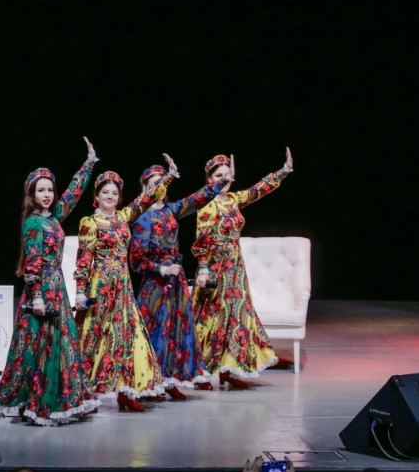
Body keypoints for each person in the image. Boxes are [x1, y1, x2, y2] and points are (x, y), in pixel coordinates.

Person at [0, 138, 100, 425]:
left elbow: (73, 194)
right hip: (40, 291)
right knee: (37, 347)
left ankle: (64, 398)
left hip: (57, 287)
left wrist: (88, 165)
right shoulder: (33, 222)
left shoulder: (54, 218)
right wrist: (37, 295)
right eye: (41, 190)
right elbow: (32, 263)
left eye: (50, 189)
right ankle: (36, 401)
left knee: (61, 344)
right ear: (32, 194)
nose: (47, 194)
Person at [74, 159, 175, 412]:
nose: (110, 196)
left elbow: (146, 198)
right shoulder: (90, 222)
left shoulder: (123, 217)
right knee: (95, 339)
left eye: (114, 193)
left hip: (123, 287)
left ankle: (125, 391)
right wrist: (79, 291)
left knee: (128, 337)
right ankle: (85, 395)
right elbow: (84, 259)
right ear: (97, 196)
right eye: (105, 192)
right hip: (100, 287)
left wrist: (169, 176)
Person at [192, 149, 293, 388]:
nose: (224, 179)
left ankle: (229, 368)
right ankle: (202, 371)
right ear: (210, 179)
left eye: (227, 175)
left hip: (236, 267)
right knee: (213, 317)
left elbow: (258, 190)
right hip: (216, 267)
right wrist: (203, 268)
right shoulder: (206, 205)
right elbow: (201, 241)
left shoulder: (234, 199)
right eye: (219, 176)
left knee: (237, 316)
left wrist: (284, 171)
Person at [128, 164, 229, 394]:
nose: (159, 187)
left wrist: (221, 183)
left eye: (162, 182)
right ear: (144, 188)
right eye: (154, 184)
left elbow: (196, 199)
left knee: (177, 330)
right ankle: (148, 382)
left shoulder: (171, 210)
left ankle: (171, 380)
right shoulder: (143, 217)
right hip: (156, 283)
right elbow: (136, 261)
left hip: (177, 280)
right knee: (156, 331)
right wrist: (161, 269)